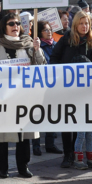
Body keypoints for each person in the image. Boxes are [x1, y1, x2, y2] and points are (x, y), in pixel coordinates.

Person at [0, 12, 46, 178]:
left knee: (23, 136)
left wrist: (38, 50)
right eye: (12, 24)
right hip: (1, 98)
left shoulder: (28, 44)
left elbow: (41, 67)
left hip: (23, 97)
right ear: (3, 27)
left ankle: (23, 167)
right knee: (1, 134)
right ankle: (2, 168)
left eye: (18, 24)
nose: (16, 27)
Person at [49, 11, 92, 168]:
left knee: (83, 123)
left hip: (86, 90)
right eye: (81, 23)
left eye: (87, 23)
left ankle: (84, 154)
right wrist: (64, 72)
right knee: (68, 123)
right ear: (75, 24)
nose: (84, 26)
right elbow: (54, 58)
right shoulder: (66, 39)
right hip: (68, 87)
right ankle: (68, 155)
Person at [31, 20, 61, 156]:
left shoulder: (56, 45)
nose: (49, 32)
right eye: (46, 30)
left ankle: (50, 144)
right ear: (39, 33)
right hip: (40, 86)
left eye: (50, 29)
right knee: (37, 116)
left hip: (54, 85)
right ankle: (36, 145)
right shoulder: (37, 47)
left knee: (52, 115)